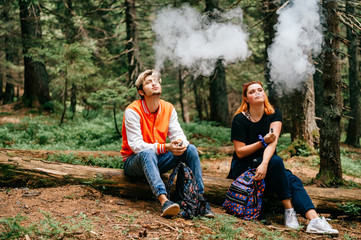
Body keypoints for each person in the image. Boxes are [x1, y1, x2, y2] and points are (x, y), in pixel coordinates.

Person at [227, 80, 338, 234]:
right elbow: (240, 152)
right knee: (278, 163)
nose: (257, 93)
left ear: (264, 94)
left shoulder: (273, 114)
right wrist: (261, 143)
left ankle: (313, 220)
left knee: (292, 179)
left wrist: (264, 163)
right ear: (246, 99)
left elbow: (273, 143)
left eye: (260, 90)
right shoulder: (240, 119)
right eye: (252, 92)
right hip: (244, 166)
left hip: (269, 165)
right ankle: (289, 210)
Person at [121, 69, 214, 218]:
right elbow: (136, 146)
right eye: (148, 82)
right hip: (134, 162)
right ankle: (165, 201)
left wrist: (180, 144)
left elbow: (178, 134)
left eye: (156, 81)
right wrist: (165, 147)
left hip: (158, 160)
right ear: (141, 92)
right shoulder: (132, 111)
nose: (154, 84)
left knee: (190, 149)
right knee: (147, 152)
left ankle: (199, 200)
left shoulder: (168, 108)